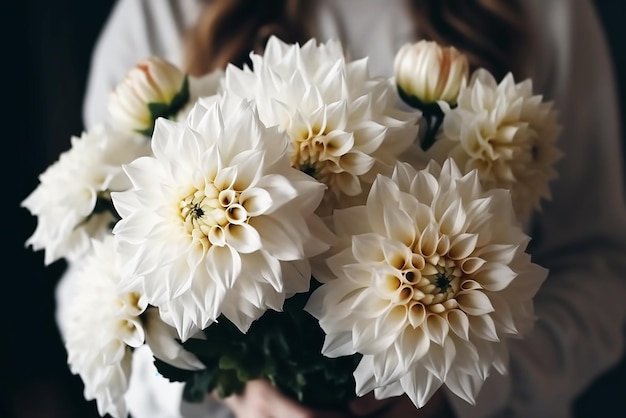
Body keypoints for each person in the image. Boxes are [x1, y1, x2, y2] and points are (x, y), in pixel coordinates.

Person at [67, 0, 626, 417]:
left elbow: (603, 268)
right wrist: (237, 396)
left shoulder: (544, 11)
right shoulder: (157, 15)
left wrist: (459, 392)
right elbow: (94, 290)